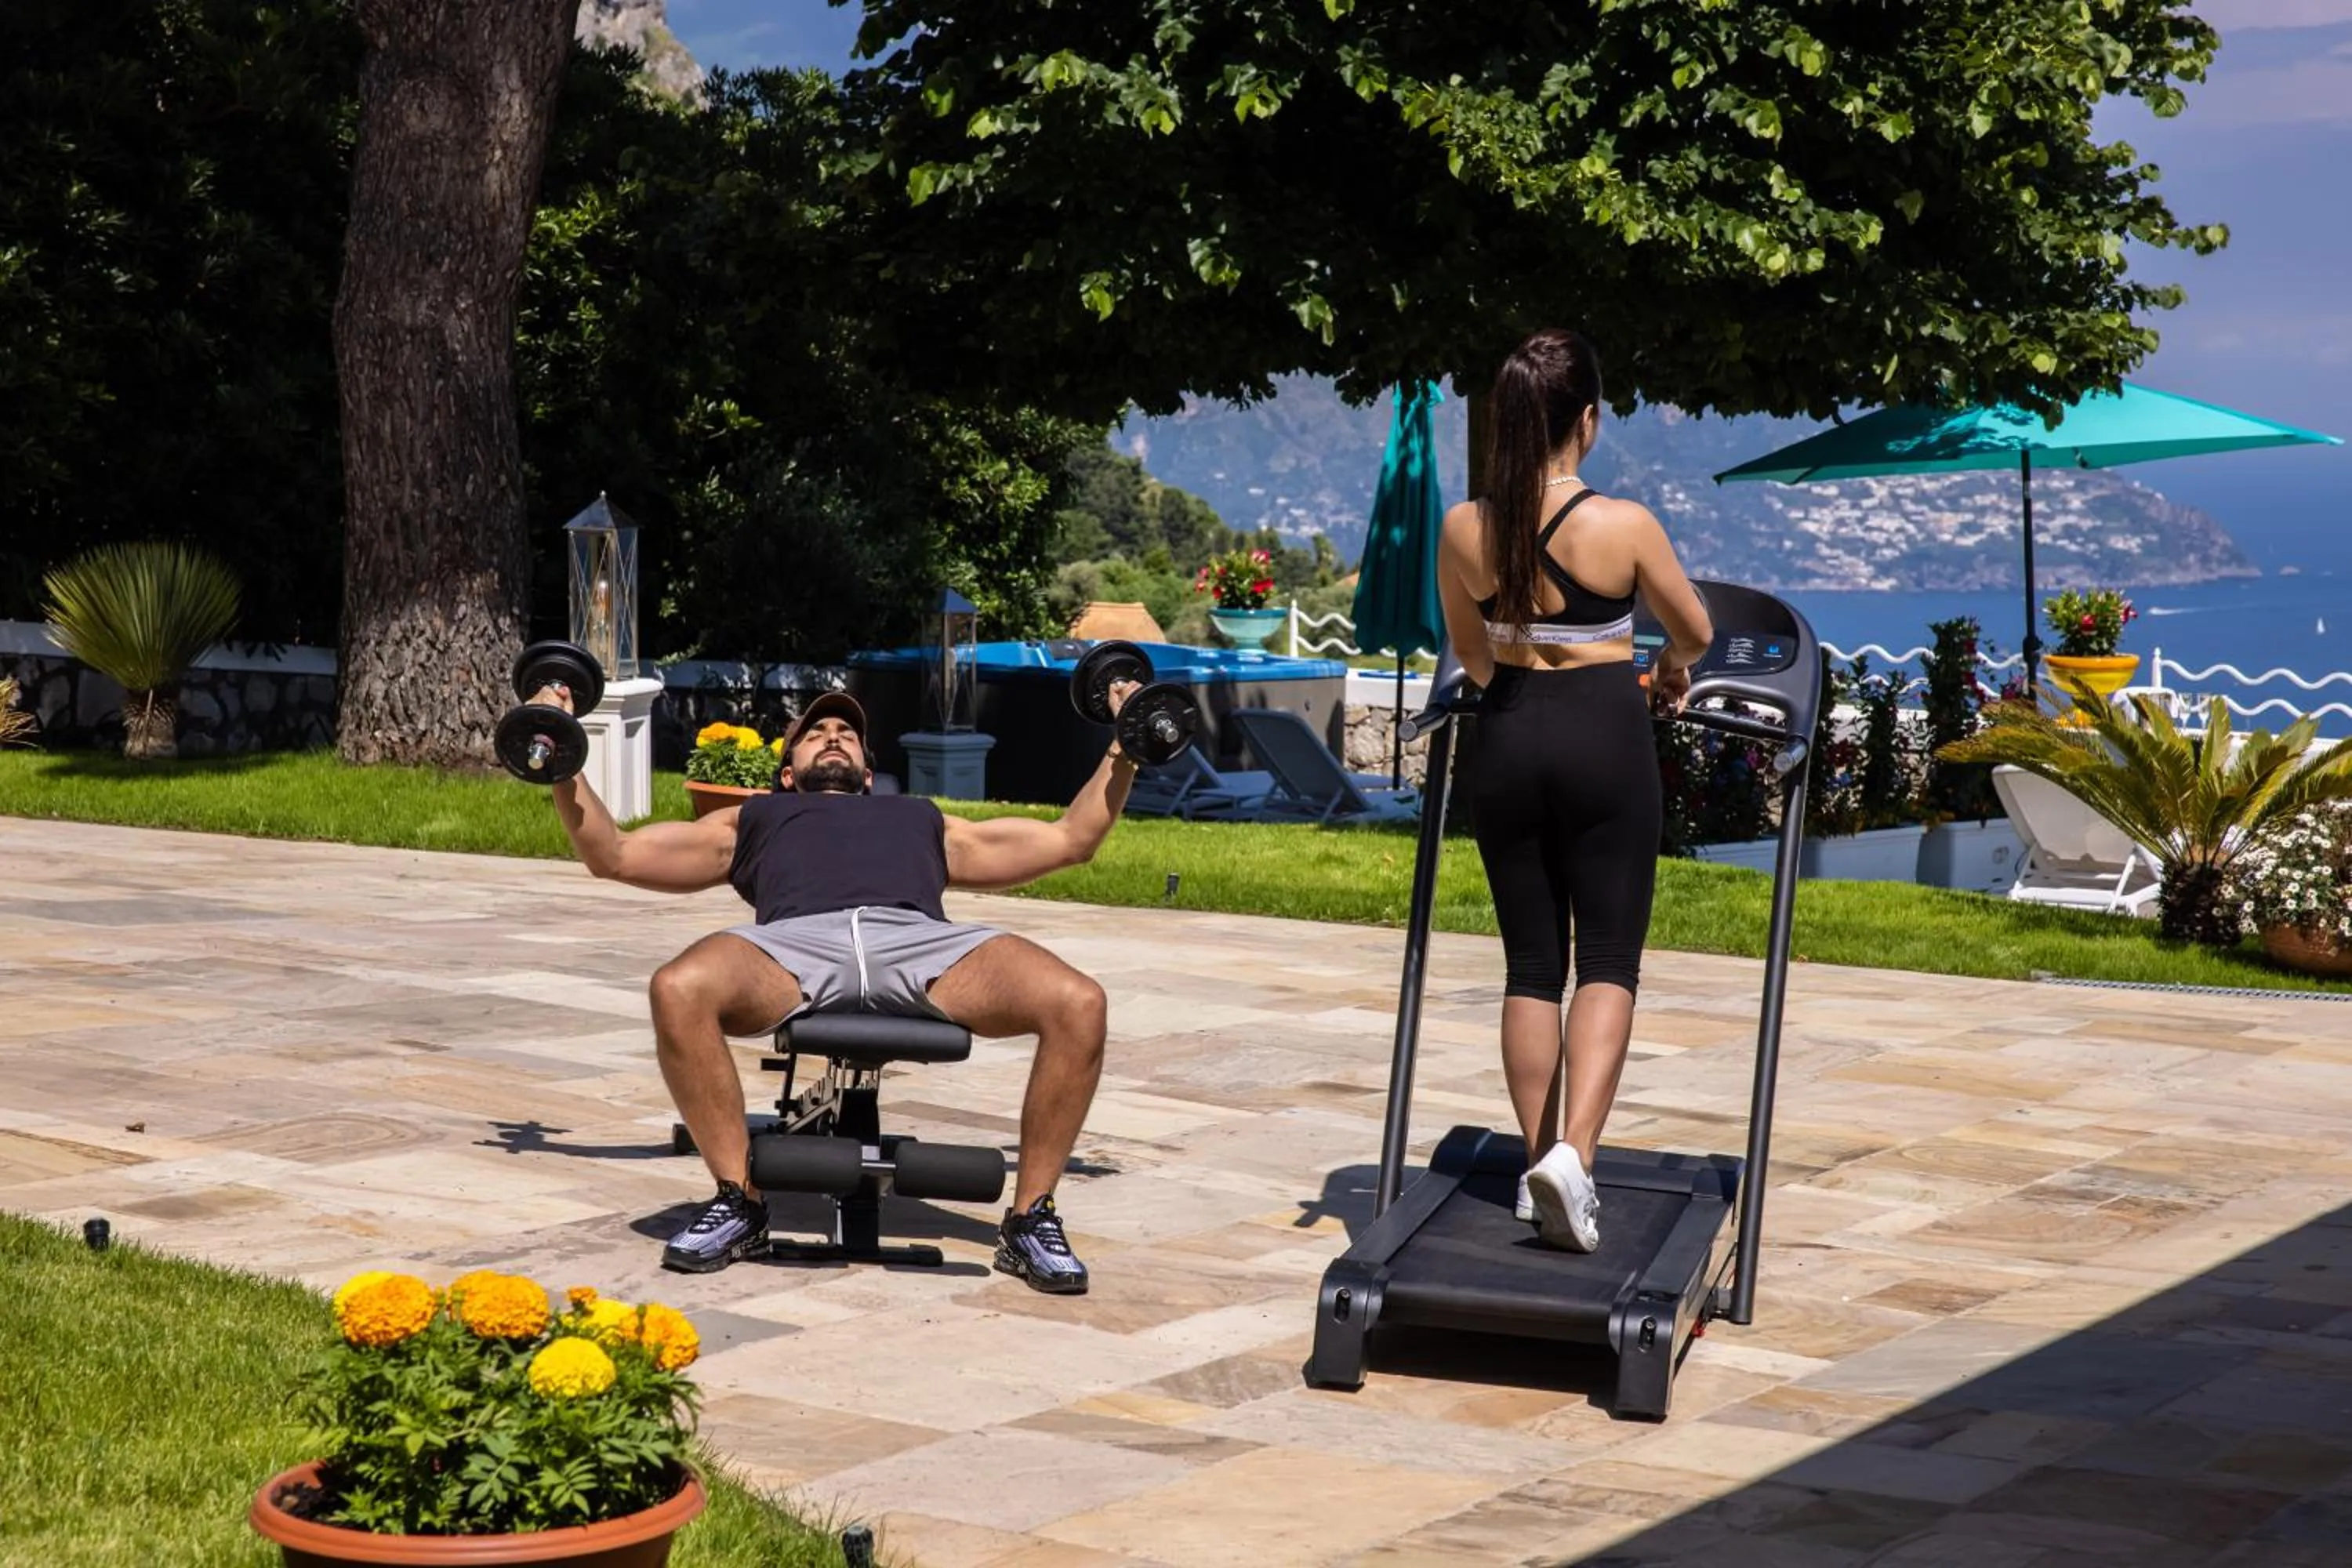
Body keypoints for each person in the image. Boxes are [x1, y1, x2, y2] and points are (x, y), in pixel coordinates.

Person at [535, 681, 1145, 1294]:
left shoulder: (921, 819)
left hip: (919, 942)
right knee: (678, 986)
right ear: (788, 774)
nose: (833, 738)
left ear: (870, 772)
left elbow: (1073, 838)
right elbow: (612, 853)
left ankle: (1029, 1220)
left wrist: (1127, 742)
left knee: (1079, 1001)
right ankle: (739, 1202)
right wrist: (562, 754)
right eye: (815, 733)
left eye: (847, 734)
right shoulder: (752, 817)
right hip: (794, 944)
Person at [1434, 327, 1714, 1253]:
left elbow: (1472, 658)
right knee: (1606, 959)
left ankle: (1533, 1163)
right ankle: (1573, 1161)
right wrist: (1668, 665)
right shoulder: (1623, 524)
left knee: (1528, 967)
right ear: (1587, 420)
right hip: (1603, 731)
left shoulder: (1465, 527)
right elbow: (1698, 632)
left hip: (1508, 734)